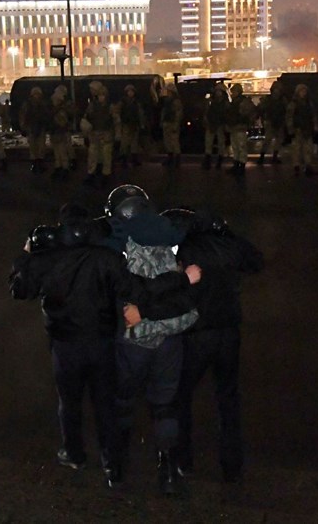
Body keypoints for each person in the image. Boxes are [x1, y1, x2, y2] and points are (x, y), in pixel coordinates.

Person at [9, 205, 201, 482]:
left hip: (65, 346)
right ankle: (113, 465)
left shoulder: (46, 259)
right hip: (100, 344)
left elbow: (19, 289)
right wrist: (181, 279)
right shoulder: (106, 259)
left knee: (69, 401)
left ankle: (74, 454)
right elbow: (140, 289)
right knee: (105, 403)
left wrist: (24, 255)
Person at [99, 185, 200, 495]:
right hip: (170, 340)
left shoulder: (117, 246)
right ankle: (168, 471)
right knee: (165, 406)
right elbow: (185, 295)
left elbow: (118, 291)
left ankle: (117, 468)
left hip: (131, 342)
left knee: (123, 403)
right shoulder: (172, 242)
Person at [165, 208, 263, 484]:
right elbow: (256, 260)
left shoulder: (185, 248)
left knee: (180, 397)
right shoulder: (228, 245)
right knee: (228, 398)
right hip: (228, 332)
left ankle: (183, 459)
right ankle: (232, 465)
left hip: (196, 333)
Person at [84, 84, 116, 187]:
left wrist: (117, 134)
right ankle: (91, 174)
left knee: (106, 156)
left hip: (106, 133)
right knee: (93, 155)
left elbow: (116, 120)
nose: (101, 97)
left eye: (103, 95)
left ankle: (105, 175)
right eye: (100, 95)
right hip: (95, 133)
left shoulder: (110, 107)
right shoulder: (92, 106)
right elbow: (87, 118)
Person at [286, 83, 318, 176]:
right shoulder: (293, 104)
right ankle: (296, 166)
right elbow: (289, 117)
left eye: (304, 91)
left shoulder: (309, 103)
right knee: (297, 149)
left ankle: (308, 166)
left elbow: (313, 116)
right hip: (298, 129)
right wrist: (290, 128)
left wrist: (315, 125)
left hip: (307, 128)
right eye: (301, 91)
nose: (303, 93)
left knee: (308, 148)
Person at [225, 83, 255, 176]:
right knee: (236, 147)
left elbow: (249, 114)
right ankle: (237, 165)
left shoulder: (243, 102)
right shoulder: (236, 102)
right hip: (235, 127)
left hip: (240, 126)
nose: (232, 93)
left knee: (241, 147)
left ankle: (241, 166)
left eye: (234, 91)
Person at [20, 87, 51, 173]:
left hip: (38, 127)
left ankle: (37, 163)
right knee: (35, 147)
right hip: (34, 127)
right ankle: (36, 163)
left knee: (39, 147)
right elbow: (23, 116)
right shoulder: (37, 104)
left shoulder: (32, 104)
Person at [115, 84, 146, 168]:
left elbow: (140, 113)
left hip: (134, 124)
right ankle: (124, 160)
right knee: (125, 143)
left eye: (131, 91)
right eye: (129, 91)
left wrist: (142, 124)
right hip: (125, 124)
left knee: (134, 143)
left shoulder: (136, 102)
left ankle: (133, 159)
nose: (130, 93)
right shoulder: (123, 102)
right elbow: (117, 111)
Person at [257, 83, 287, 165]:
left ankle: (272, 157)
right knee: (268, 140)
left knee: (277, 140)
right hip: (270, 121)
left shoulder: (280, 100)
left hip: (278, 121)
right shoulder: (269, 99)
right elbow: (261, 109)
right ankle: (263, 157)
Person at [203, 82, 230, 169]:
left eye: (219, 91)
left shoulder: (225, 103)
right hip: (212, 124)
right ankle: (208, 160)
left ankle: (219, 161)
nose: (217, 93)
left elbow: (227, 114)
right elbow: (206, 111)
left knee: (220, 143)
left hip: (220, 125)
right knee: (208, 143)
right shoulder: (211, 101)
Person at [159, 84, 183, 167]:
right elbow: (164, 112)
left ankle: (176, 159)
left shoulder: (175, 101)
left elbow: (178, 113)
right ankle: (171, 158)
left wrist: (176, 124)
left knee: (174, 142)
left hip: (172, 123)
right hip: (167, 122)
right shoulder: (167, 101)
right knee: (168, 142)